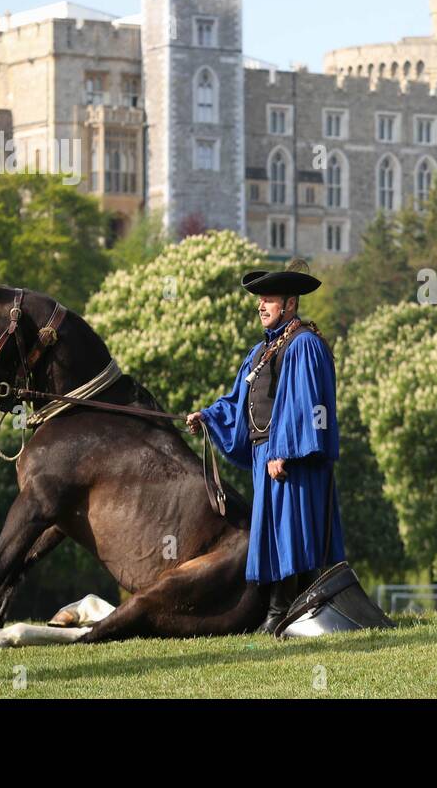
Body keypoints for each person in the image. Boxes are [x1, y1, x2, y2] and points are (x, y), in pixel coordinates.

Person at [186, 263, 344, 634]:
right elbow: (238, 400)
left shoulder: (304, 344)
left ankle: (281, 614)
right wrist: (208, 416)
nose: (261, 305)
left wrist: (284, 452)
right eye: (260, 299)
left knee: (294, 534)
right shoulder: (261, 351)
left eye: (268, 299)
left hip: (292, 460)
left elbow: (307, 405)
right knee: (276, 535)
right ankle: (290, 614)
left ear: (290, 304)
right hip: (266, 457)